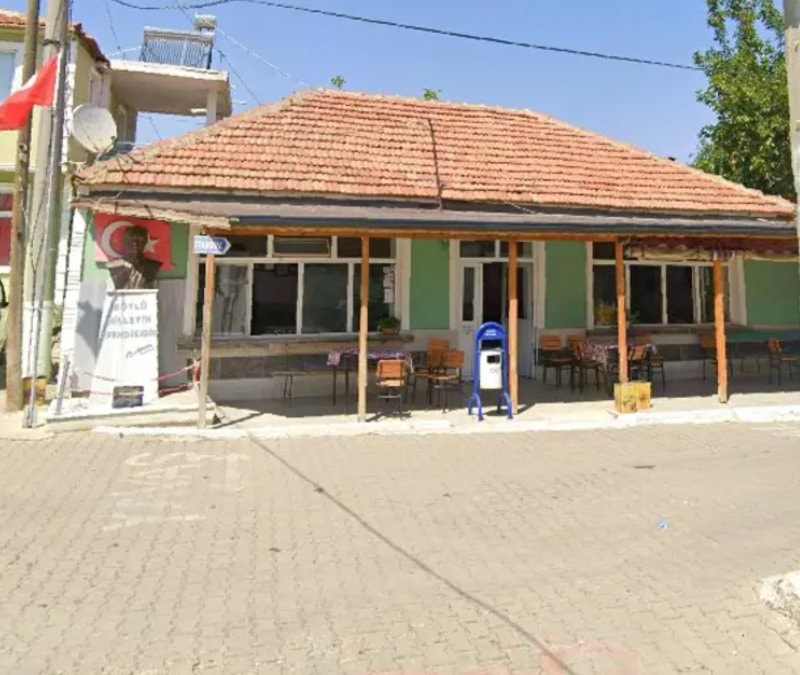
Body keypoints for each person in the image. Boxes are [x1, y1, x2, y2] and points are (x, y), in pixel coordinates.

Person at [107, 225, 162, 290]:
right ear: (125, 242)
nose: (135, 244)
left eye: (139, 240)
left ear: (145, 242)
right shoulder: (114, 266)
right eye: (131, 240)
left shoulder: (153, 266)